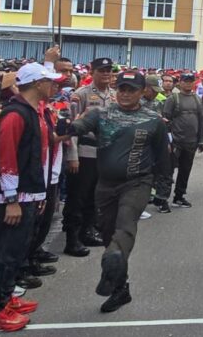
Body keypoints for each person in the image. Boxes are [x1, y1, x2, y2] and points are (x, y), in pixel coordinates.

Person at [63, 71, 171, 313]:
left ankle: (110, 261)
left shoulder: (153, 120)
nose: (125, 94)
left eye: (131, 89)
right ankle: (120, 287)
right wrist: (67, 126)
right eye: (121, 88)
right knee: (109, 232)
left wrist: (164, 186)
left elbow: (164, 156)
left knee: (125, 224)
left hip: (137, 183)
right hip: (105, 185)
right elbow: (79, 126)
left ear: (143, 91)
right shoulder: (101, 113)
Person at [0, 62, 63, 331]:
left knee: (17, 251)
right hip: (14, 197)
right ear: (37, 84)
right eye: (49, 81)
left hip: (29, 192)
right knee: (6, 252)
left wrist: (38, 193)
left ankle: (6, 298)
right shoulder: (15, 114)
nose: (54, 86)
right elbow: (6, 158)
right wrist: (11, 199)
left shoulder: (34, 112)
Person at [63, 57, 115, 253]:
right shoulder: (81, 94)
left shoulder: (114, 96)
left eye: (109, 70)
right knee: (78, 197)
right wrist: (72, 155)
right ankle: (72, 239)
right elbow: (71, 127)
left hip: (104, 153)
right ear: (91, 72)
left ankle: (88, 231)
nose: (106, 74)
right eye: (102, 70)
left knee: (95, 196)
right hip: (84, 152)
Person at [161, 72, 203, 209]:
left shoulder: (197, 99)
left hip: (191, 142)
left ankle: (179, 197)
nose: (188, 83)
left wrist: (201, 140)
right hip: (175, 142)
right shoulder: (173, 99)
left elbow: (201, 120)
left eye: (190, 81)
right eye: (185, 81)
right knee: (168, 171)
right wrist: (167, 141)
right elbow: (165, 120)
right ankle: (162, 200)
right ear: (180, 82)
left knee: (185, 171)